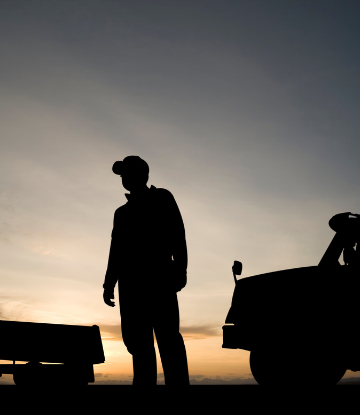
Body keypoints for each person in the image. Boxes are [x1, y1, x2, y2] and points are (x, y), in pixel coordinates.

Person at [102, 155, 190, 385]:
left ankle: (179, 387)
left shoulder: (162, 198)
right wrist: (109, 283)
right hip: (131, 286)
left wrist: (180, 270)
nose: (124, 178)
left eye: (127, 173)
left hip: (161, 279)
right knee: (138, 344)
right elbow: (116, 250)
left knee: (168, 339)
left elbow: (178, 236)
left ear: (142, 174)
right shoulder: (121, 213)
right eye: (122, 175)